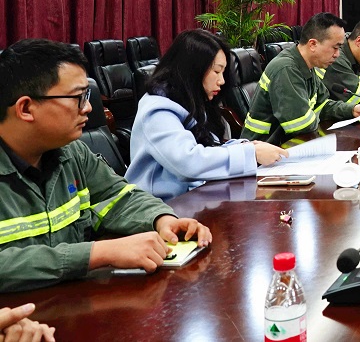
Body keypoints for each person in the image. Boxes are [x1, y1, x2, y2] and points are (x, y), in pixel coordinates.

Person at [0, 40, 211, 293]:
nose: (88, 107)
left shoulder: (72, 153)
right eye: (78, 97)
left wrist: (161, 219)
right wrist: (97, 254)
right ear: (25, 108)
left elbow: (119, 196)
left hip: (71, 304)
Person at [125, 30, 288, 201]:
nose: (222, 81)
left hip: (195, 199)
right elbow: (188, 163)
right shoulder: (157, 110)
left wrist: (245, 146)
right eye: (216, 71)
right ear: (193, 69)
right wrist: (250, 154)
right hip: (163, 207)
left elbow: (208, 147)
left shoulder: (190, 101)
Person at [241, 12, 360, 143]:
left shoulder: (308, 66)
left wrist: (351, 109)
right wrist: (316, 116)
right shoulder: (286, 68)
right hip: (265, 148)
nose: (337, 54)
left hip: (290, 144)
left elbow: (322, 105)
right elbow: (301, 125)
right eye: (335, 48)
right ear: (312, 44)